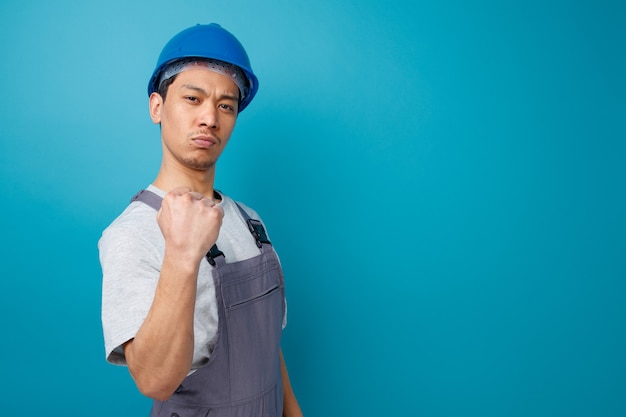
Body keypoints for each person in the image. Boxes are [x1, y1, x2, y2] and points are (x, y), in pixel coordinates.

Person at [99, 23, 303, 417]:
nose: (210, 117)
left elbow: (267, 351)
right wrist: (182, 253)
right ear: (157, 107)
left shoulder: (251, 223)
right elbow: (154, 381)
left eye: (226, 105)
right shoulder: (132, 234)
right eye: (193, 98)